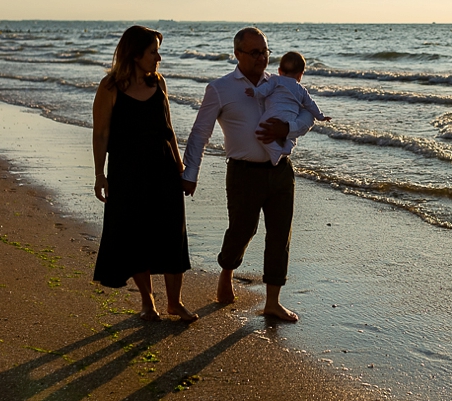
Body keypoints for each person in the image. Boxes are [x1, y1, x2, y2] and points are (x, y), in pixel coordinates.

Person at [181, 27, 314, 321]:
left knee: (280, 235)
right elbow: (200, 132)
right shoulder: (220, 88)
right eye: (254, 52)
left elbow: (308, 114)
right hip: (243, 172)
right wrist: (190, 172)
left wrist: (288, 129)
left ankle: (272, 301)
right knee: (243, 230)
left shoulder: (281, 83)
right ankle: (226, 272)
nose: (261, 57)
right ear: (237, 54)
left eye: (264, 51)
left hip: (280, 170)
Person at [92, 25, 197, 323]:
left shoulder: (158, 83)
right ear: (135, 53)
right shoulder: (110, 87)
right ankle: (147, 302)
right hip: (127, 172)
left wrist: (180, 167)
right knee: (135, 236)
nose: (158, 57)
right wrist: (100, 174)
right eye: (153, 52)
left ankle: (175, 303)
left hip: (163, 169)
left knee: (172, 234)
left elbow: (168, 127)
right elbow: (100, 134)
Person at [244, 50, 331, 165]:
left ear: (279, 71)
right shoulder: (301, 89)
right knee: (291, 134)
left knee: (260, 132)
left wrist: (255, 92)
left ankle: (275, 152)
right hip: (291, 116)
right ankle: (288, 147)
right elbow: (310, 104)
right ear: (300, 74)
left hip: (274, 113)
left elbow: (265, 90)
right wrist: (321, 116)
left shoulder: (275, 80)